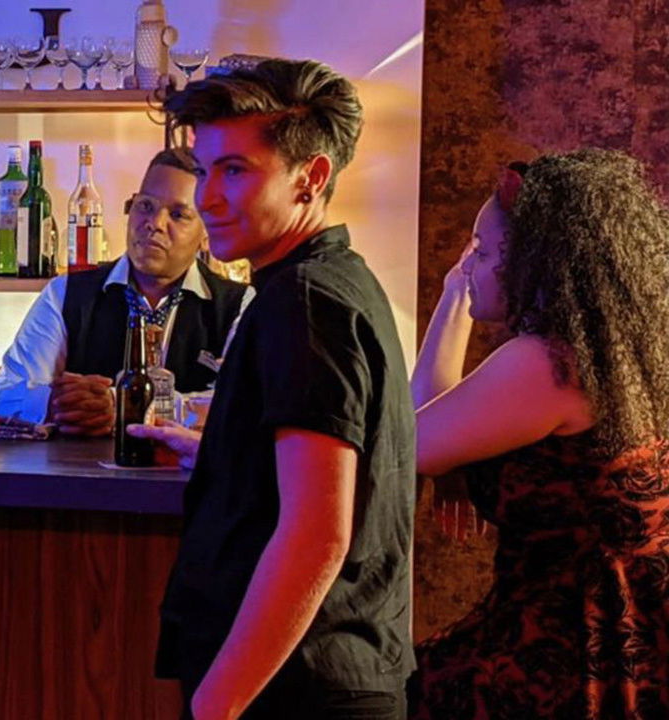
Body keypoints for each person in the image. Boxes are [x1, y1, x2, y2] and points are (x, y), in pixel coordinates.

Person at [143, 59, 416, 719]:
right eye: (205, 170)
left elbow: (316, 534)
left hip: (300, 688)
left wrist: (218, 704)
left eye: (235, 171)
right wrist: (227, 456)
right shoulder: (333, 280)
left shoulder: (305, 299)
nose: (208, 199)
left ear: (311, 177)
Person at [408, 149, 669, 719]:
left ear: (533, 262)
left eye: (482, 251)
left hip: (572, 652)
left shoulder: (546, 363)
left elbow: (412, 446)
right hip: (633, 635)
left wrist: (452, 300)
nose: (468, 266)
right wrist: (457, 288)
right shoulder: (619, 358)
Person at [0, 148, 250, 436]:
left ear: (206, 231)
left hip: (187, 467)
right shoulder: (67, 294)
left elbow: (245, 405)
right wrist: (54, 403)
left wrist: (127, 404)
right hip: (80, 466)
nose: (155, 223)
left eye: (178, 214)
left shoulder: (238, 305)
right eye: (145, 206)